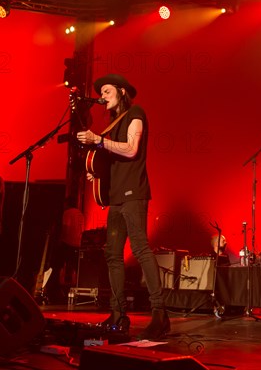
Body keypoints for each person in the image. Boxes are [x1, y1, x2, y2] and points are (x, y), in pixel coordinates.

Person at [76, 74, 169, 340]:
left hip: (133, 194)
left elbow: (130, 150)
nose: (102, 96)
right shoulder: (110, 124)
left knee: (140, 249)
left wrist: (99, 141)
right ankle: (118, 313)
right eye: (101, 92)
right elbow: (111, 159)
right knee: (113, 255)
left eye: (106, 91)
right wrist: (97, 173)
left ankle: (160, 314)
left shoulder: (135, 113)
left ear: (121, 91)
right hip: (116, 197)